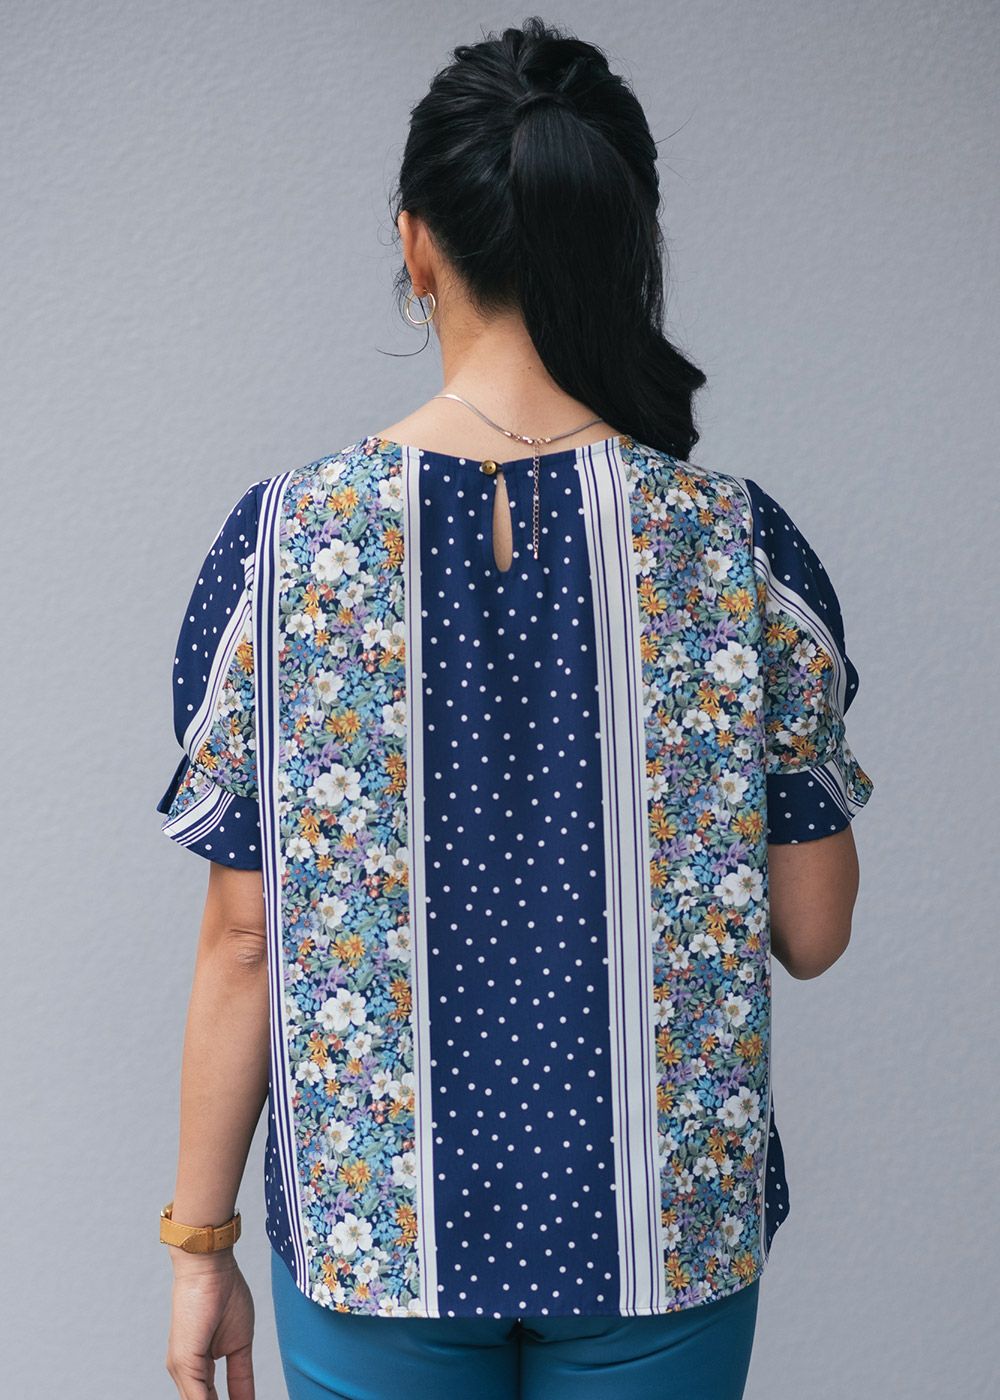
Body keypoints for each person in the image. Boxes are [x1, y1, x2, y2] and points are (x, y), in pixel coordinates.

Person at [155, 16, 875, 1400]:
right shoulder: (735, 545)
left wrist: (201, 1248)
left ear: (417, 244)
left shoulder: (284, 546)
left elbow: (242, 945)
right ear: (622, 239)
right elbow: (813, 930)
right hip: (659, 1227)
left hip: (378, 1233)